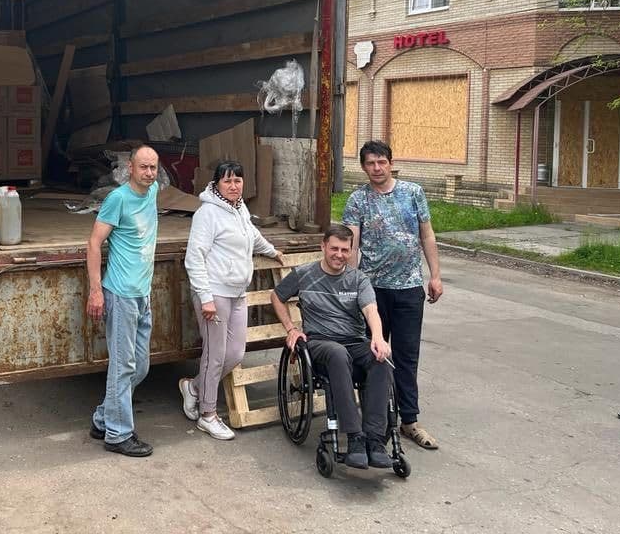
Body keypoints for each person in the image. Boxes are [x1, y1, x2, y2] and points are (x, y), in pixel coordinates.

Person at [342, 140, 443, 451]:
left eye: (381, 162)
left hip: (410, 289)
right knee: (374, 354)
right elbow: (352, 244)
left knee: (407, 357)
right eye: (370, 163)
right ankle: (377, 420)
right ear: (363, 167)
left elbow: (426, 233)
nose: (376, 168)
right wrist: (350, 282)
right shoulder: (358, 200)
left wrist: (435, 275)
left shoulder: (413, 193)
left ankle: (409, 420)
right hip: (373, 292)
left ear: (390, 162)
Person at [269, 224, 394, 469]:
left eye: (345, 250)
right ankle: (355, 436)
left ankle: (375, 439)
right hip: (320, 343)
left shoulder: (358, 279)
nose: (339, 254)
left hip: (354, 342)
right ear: (323, 246)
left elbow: (371, 310)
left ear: (351, 251)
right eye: (334, 248)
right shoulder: (304, 273)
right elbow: (277, 296)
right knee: (337, 353)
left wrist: (378, 337)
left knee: (381, 360)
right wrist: (291, 329)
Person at [179, 160, 283, 440]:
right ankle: (208, 415)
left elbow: (252, 236)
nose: (234, 186)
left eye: (238, 180)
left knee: (235, 354)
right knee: (214, 356)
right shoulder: (207, 214)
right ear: (216, 184)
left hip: (237, 292)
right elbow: (194, 258)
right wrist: (205, 297)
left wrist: (273, 251)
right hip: (215, 293)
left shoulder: (240, 210)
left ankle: (194, 388)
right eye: (227, 181)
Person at [87, 146, 160, 457]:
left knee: (139, 366)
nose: (149, 173)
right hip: (120, 294)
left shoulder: (154, 190)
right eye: (143, 167)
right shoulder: (117, 200)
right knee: (122, 366)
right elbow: (93, 243)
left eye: (154, 168)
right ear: (130, 167)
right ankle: (118, 434)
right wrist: (95, 290)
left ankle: (103, 418)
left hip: (142, 294)